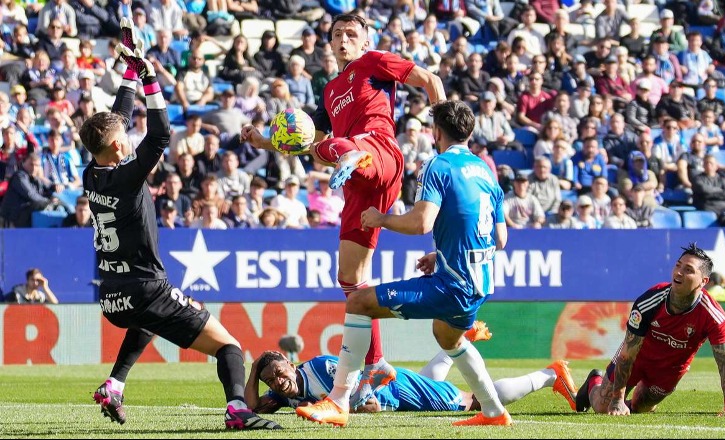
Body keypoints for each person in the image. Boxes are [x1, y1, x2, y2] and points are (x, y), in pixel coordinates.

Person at [80, 24, 280, 431]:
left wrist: (131, 66)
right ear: (118, 146)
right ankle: (238, 410)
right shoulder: (128, 176)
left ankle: (115, 384)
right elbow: (160, 134)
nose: (129, 132)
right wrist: (151, 79)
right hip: (146, 288)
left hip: (112, 296)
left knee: (146, 323)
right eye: (125, 134)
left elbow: (117, 117)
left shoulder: (93, 173)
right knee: (230, 346)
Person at [240, 12, 446, 402]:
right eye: (338, 34)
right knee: (351, 280)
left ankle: (351, 154)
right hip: (355, 183)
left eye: (352, 33)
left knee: (338, 149)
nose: (344, 39)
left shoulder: (374, 61)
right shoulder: (331, 90)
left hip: (380, 153)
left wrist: (444, 136)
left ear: (365, 41)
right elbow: (308, 141)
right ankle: (378, 365)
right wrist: (263, 141)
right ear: (331, 44)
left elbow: (430, 80)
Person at [295, 100, 515, 427]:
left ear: (436, 132)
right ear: (469, 132)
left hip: (451, 285)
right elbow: (499, 239)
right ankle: (495, 412)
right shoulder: (486, 170)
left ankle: (338, 400)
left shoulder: (438, 166)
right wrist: (442, 255)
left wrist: (380, 218)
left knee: (358, 302)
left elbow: (421, 224)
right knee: (447, 337)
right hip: (479, 284)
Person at [575, 243, 725, 417]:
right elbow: (627, 354)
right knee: (602, 406)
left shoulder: (714, 316)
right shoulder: (650, 301)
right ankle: (594, 380)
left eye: (688, 270)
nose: (678, 272)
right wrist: (617, 400)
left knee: (641, 408)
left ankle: (630, 404)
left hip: (670, 369)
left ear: (703, 281)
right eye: (678, 266)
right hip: (638, 357)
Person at [246, 331, 577, 415]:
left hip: (395, 390)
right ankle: (458, 343)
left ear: (291, 363)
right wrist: (255, 369)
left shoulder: (318, 367)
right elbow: (251, 408)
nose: (277, 382)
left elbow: (364, 373)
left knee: (470, 401)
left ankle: (550, 375)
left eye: (278, 372)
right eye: (270, 380)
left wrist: (365, 398)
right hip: (401, 387)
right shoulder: (282, 393)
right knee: (434, 382)